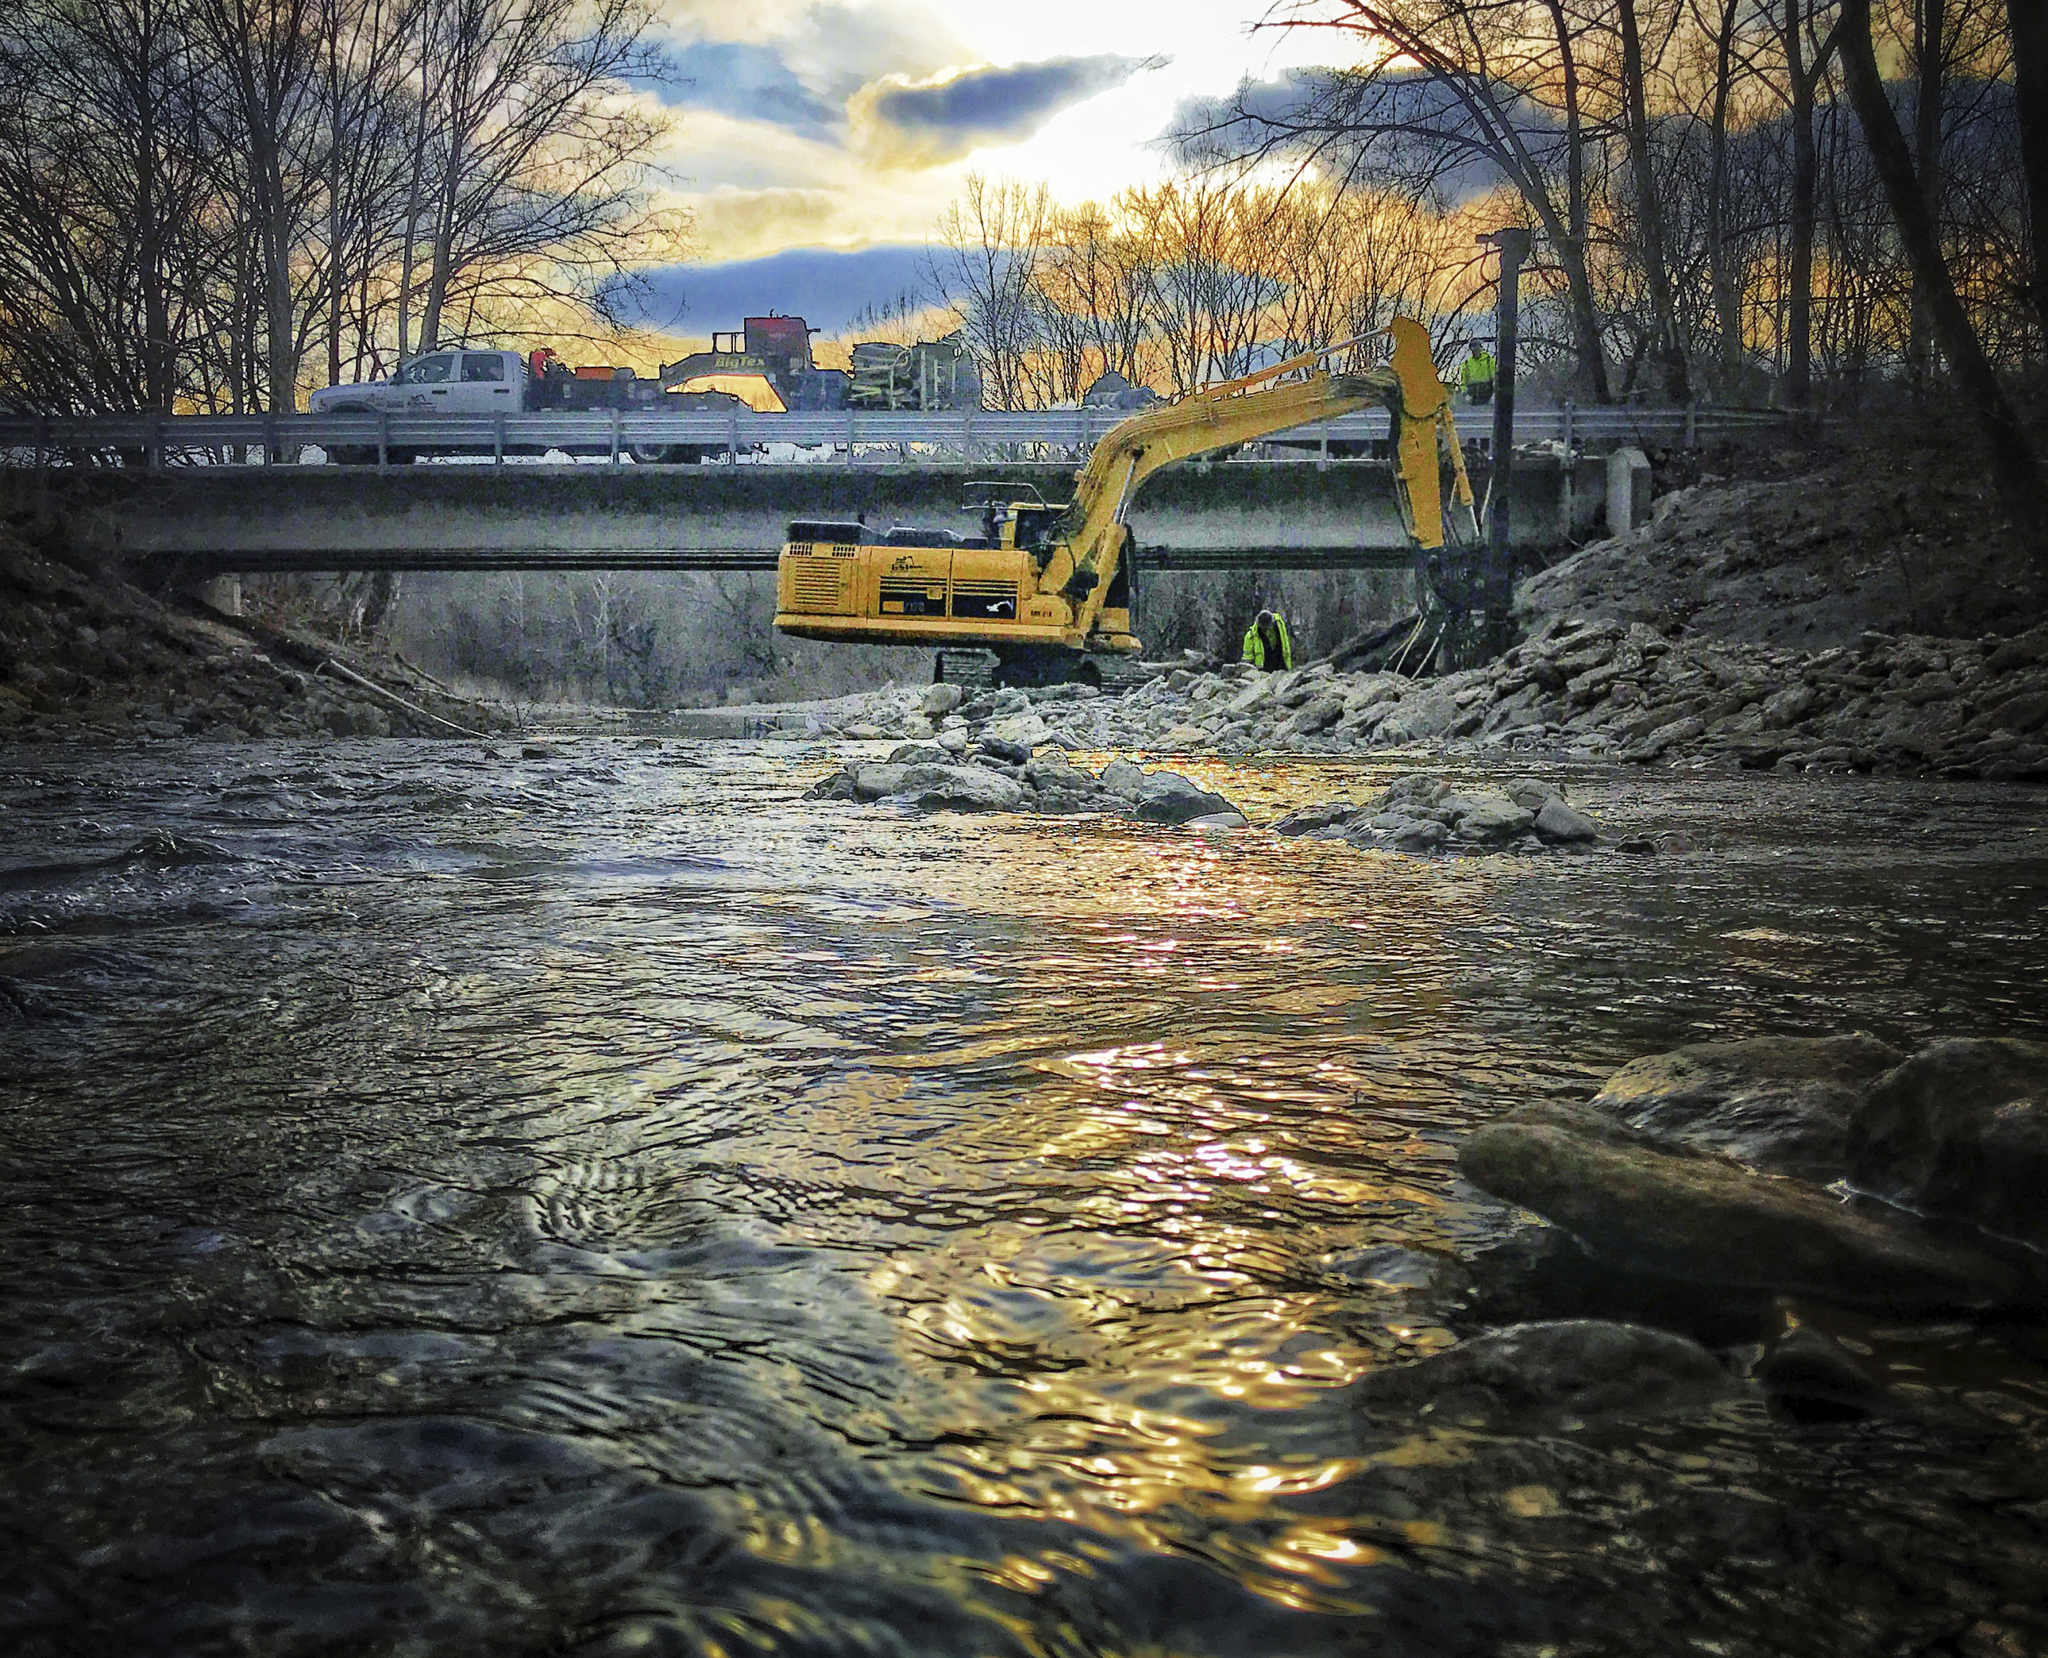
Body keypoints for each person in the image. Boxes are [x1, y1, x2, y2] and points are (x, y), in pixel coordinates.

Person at [1460, 338, 1496, 405]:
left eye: (1478, 346)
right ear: (1471, 348)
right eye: (1473, 346)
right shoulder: (1467, 363)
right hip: (1473, 398)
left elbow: (1495, 377)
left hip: (1487, 396)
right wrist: (1465, 394)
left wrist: (1494, 394)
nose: (1476, 349)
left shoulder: (1488, 360)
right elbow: (1463, 382)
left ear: (1481, 347)